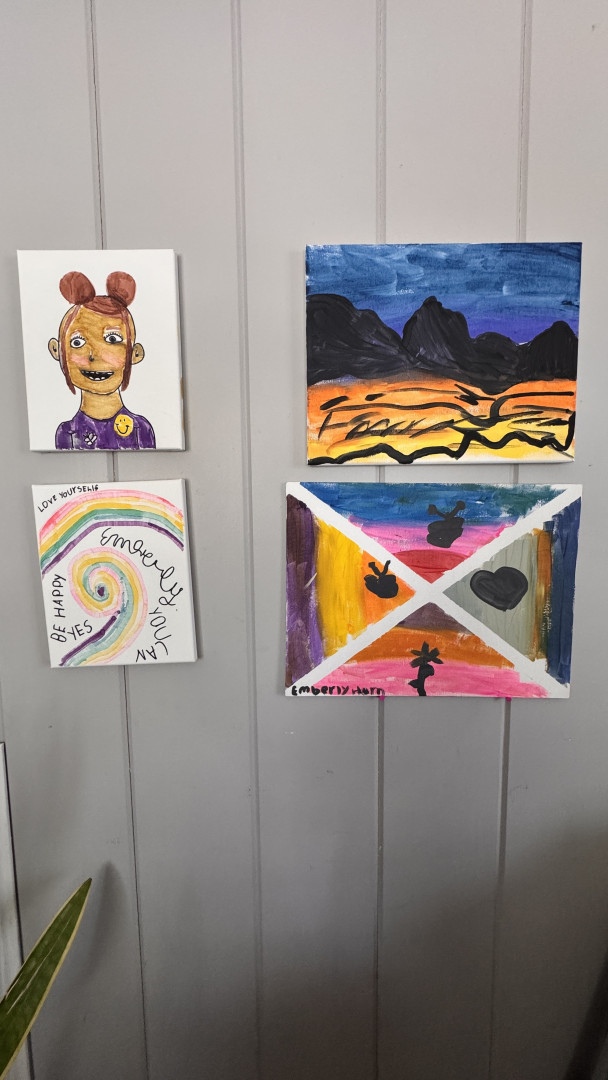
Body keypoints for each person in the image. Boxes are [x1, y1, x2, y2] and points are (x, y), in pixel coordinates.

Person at [48, 270, 155, 449]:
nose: (95, 355)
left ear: (135, 354)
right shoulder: (67, 434)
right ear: (57, 351)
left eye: (113, 339)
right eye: (77, 342)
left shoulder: (140, 429)